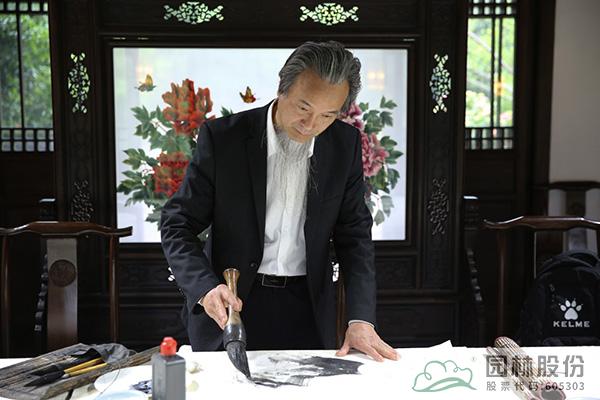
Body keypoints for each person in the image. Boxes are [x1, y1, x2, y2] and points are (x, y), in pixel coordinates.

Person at [160, 41, 398, 362]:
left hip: (307, 308)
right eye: (303, 108)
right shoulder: (225, 139)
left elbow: (354, 237)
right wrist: (204, 288)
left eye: (328, 115)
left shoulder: (344, 145)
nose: (311, 125)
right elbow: (177, 223)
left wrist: (361, 319)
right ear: (282, 87)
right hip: (232, 304)